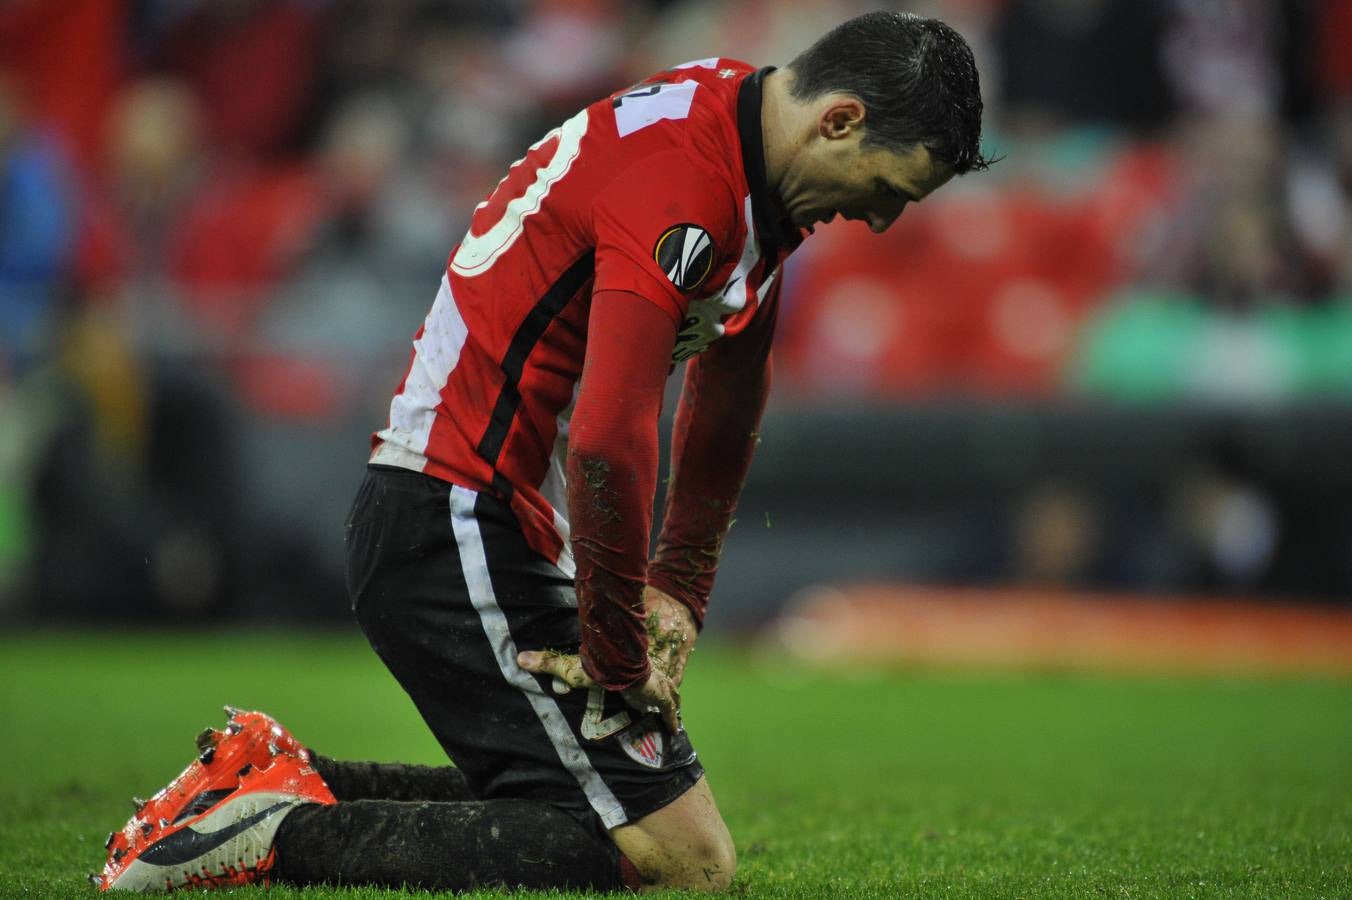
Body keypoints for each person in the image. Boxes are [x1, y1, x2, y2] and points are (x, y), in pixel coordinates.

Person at [94, 10, 989, 894]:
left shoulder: (742, 130)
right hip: (450, 517)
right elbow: (607, 434)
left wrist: (677, 591)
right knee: (674, 862)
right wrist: (614, 647)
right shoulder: (690, 176)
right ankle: (274, 835)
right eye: (887, 190)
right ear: (840, 120)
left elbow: (726, 393)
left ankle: (276, 781)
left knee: (642, 832)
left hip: (477, 511)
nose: (877, 223)